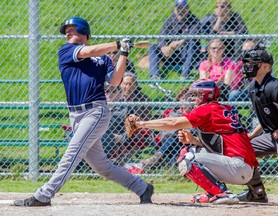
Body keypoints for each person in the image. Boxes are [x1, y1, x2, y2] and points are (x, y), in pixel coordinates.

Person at [14, 17, 153, 207]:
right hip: (76, 114)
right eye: (66, 31)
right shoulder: (67, 50)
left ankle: (44, 195)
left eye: (72, 29)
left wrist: (123, 53)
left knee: (72, 153)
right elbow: (89, 51)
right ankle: (142, 187)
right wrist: (116, 44)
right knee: (102, 167)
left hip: (95, 111)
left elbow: (114, 81)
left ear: (84, 31)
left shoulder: (103, 58)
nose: (67, 33)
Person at [130, 78, 260, 204]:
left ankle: (222, 193)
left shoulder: (208, 109)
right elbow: (221, 144)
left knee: (187, 159)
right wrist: (194, 140)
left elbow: (173, 122)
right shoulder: (223, 108)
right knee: (191, 149)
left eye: (198, 94)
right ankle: (213, 192)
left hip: (238, 166)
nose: (193, 98)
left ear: (208, 95)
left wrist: (141, 124)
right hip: (243, 167)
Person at [237, 48, 278, 202]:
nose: (248, 66)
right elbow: (267, 116)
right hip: (273, 135)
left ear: (266, 67)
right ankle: (257, 193)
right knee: (243, 149)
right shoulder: (253, 88)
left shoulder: (277, 88)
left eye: (254, 63)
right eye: (247, 63)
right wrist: (253, 134)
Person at [140, 86, 192, 170]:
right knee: (172, 139)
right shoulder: (173, 112)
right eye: (183, 99)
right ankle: (161, 159)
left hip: (181, 140)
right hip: (166, 137)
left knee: (175, 138)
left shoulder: (193, 113)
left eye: (188, 99)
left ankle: (158, 157)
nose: (185, 102)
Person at [148, 0, 202, 80]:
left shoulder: (194, 20)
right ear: (175, 9)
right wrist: (163, 47)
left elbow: (194, 35)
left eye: (183, 8)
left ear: (187, 8)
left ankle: (185, 75)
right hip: (170, 54)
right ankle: (154, 76)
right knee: (152, 46)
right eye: (178, 8)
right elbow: (161, 37)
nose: (181, 11)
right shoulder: (170, 20)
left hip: (186, 54)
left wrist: (181, 42)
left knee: (193, 43)